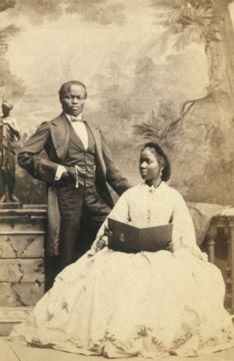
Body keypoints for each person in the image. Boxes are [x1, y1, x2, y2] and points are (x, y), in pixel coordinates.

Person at [10, 142, 234, 357]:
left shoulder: (173, 197)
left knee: (173, 278)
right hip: (128, 253)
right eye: (140, 162)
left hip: (163, 254)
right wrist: (113, 237)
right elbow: (111, 224)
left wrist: (170, 241)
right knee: (104, 277)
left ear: (162, 165)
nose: (142, 166)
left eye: (148, 162)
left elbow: (183, 231)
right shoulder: (130, 195)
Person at [17, 80, 131, 287]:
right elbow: (24, 156)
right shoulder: (51, 127)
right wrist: (60, 170)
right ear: (61, 99)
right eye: (69, 96)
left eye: (79, 97)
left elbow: (111, 170)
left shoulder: (94, 129)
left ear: (85, 100)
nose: (74, 101)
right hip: (66, 199)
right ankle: (64, 307)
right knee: (67, 254)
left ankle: (101, 295)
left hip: (95, 196)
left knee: (112, 237)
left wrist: (134, 194)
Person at [0, 100, 20, 203]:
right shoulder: (0, 119)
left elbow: (18, 133)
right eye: (3, 108)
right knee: (2, 171)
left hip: (10, 149)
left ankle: (11, 194)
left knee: (11, 171)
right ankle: (4, 194)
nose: (4, 110)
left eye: (6, 108)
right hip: (1, 149)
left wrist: (8, 124)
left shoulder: (12, 120)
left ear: (9, 109)